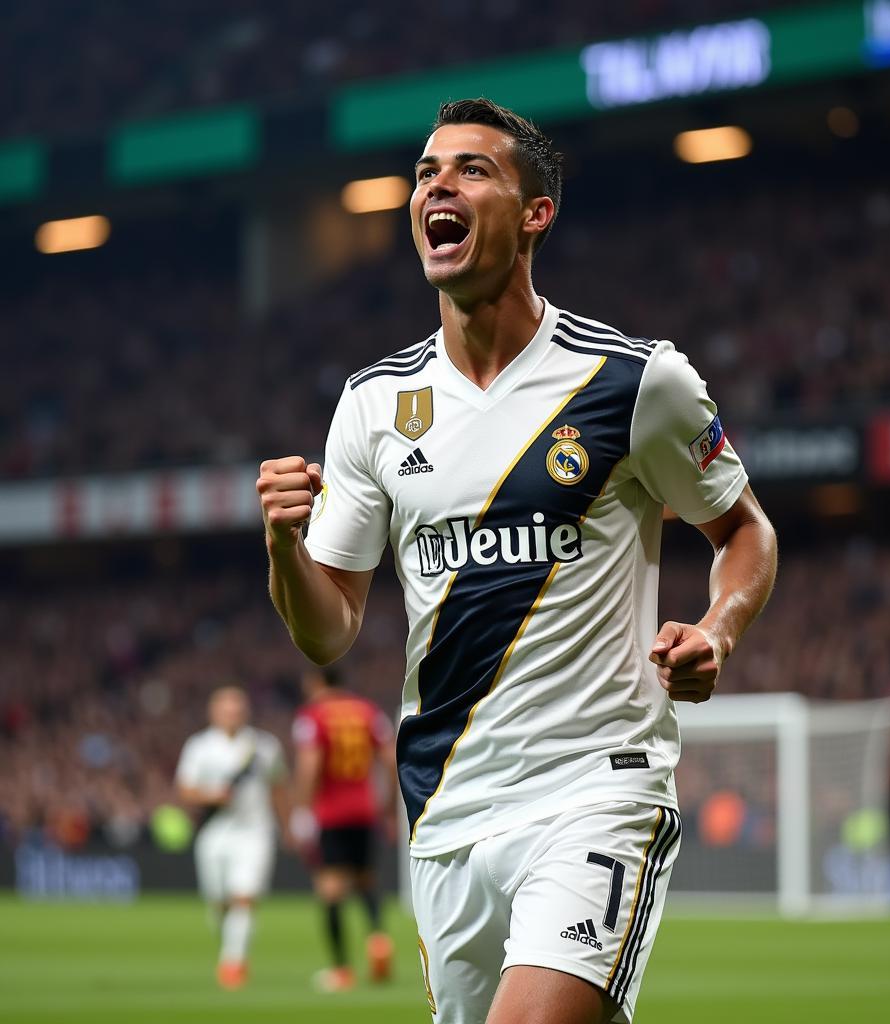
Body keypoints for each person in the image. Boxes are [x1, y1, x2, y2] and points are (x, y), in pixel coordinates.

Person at [257, 97, 777, 1024]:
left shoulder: (633, 381)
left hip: (596, 787)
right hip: (447, 809)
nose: (436, 187)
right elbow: (326, 628)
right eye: (424, 172)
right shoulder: (374, 405)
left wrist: (718, 629)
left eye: (470, 169)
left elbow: (745, 531)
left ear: (536, 213)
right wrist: (283, 547)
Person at [290, 664, 399, 991]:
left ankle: (341, 969)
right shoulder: (368, 712)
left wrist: (302, 811)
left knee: (331, 889)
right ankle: (379, 940)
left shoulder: (313, 716)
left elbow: (310, 765)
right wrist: (389, 809)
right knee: (366, 881)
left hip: (331, 814)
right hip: (365, 810)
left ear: (315, 682)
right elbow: (390, 760)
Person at [175, 686, 289, 989]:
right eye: (226, 710)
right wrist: (212, 795)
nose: (232, 715)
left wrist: (288, 827)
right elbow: (185, 789)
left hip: (255, 832)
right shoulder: (199, 746)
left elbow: (278, 787)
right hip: (214, 834)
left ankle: (233, 962)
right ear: (214, 712)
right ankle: (232, 943)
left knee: (244, 897)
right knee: (219, 903)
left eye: (237, 709)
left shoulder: (264, 746)